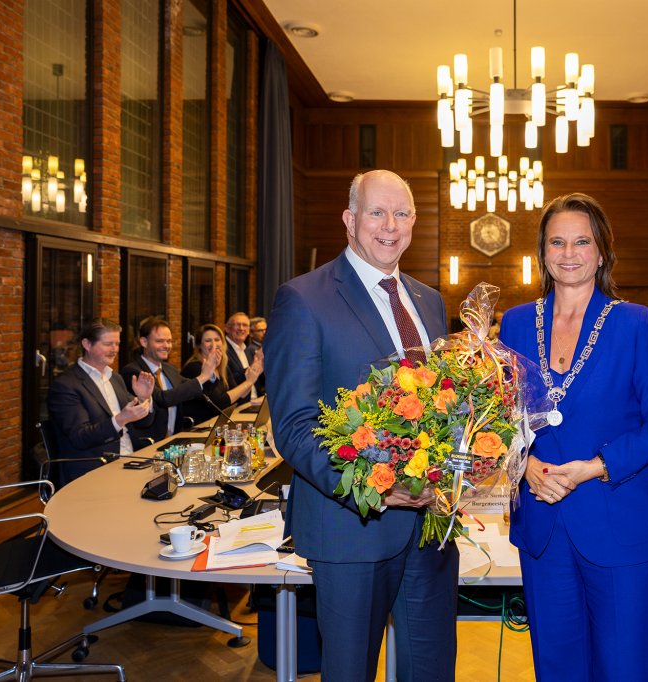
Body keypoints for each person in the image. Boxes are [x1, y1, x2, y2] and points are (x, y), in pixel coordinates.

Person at [265, 170, 457, 681]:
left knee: (432, 670)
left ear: (415, 222)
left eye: (402, 213)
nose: (390, 226)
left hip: (431, 530)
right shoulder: (303, 299)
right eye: (377, 212)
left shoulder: (430, 301)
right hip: (351, 529)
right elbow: (295, 427)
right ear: (350, 220)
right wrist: (378, 488)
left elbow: (442, 407)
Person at [498, 193, 648, 682]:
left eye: (582, 241)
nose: (569, 252)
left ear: (602, 251)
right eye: (557, 241)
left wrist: (594, 466)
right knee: (556, 667)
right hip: (542, 521)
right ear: (542, 253)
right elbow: (498, 419)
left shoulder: (632, 322)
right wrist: (528, 467)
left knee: (624, 667)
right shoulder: (516, 323)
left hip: (616, 516)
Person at [47, 319, 155, 484]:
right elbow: (80, 437)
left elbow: (145, 422)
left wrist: (143, 399)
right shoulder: (66, 385)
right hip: (95, 470)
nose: (115, 350)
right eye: (108, 344)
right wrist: (120, 420)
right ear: (87, 344)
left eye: (117, 344)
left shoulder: (115, 378)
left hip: (130, 461)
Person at [120, 317, 217, 443]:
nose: (166, 346)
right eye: (160, 341)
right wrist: (203, 376)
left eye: (169, 341)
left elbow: (194, 390)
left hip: (174, 440)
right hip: (149, 444)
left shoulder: (170, 369)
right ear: (144, 342)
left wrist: (210, 374)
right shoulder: (133, 371)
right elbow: (162, 399)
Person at [179, 324, 261, 425]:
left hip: (218, 424)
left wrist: (253, 374)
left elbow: (237, 397)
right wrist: (249, 382)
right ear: (199, 345)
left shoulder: (223, 367)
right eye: (208, 340)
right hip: (199, 427)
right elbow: (220, 403)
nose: (214, 344)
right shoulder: (194, 368)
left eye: (217, 340)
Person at [224, 312, 264, 400]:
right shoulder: (223, 351)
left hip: (254, 401)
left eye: (245, 325)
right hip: (237, 406)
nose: (241, 328)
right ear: (227, 328)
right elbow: (227, 381)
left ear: (249, 331)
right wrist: (252, 368)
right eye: (237, 325)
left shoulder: (247, 350)